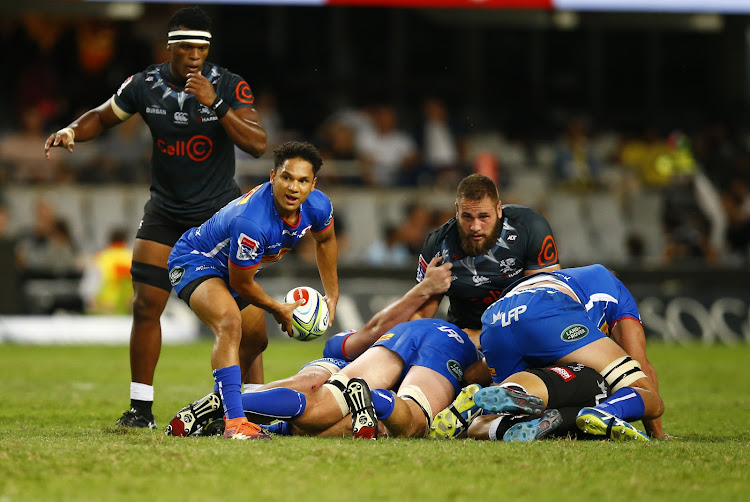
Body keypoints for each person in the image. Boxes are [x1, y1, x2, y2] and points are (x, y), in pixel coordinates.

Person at [43, 6, 268, 429]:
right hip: (165, 212)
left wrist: (215, 104)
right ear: (170, 48)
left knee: (250, 328)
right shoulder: (145, 84)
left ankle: (255, 408)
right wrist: (73, 129)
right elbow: (103, 116)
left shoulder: (229, 86)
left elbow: (258, 144)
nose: (195, 56)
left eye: (202, 47)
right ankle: (140, 409)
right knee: (146, 305)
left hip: (218, 219)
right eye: (186, 47)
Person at [165, 255, 460, 438]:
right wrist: (425, 290)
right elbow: (378, 330)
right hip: (353, 363)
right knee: (316, 394)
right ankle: (235, 405)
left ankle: (230, 403)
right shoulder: (386, 339)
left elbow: (408, 321)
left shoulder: (406, 334)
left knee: (317, 404)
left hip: (361, 370)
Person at [167, 140, 338, 440]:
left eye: (302, 180)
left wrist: (332, 294)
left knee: (256, 339)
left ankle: (227, 410)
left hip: (234, 271)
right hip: (196, 261)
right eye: (286, 177)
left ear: (313, 184)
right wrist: (277, 308)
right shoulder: (253, 223)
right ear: (273, 177)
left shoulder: (319, 206)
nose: (293, 187)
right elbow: (241, 284)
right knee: (229, 323)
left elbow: (325, 242)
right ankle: (235, 423)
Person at [324, 173, 560, 362]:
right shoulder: (438, 245)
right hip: (463, 337)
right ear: (456, 211)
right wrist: (406, 344)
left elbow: (544, 303)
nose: (475, 226)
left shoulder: (529, 228)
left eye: (484, 217)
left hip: (519, 333)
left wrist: (484, 335)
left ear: (499, 210)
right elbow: (420, 316)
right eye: (467, 217)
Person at [477, 264, 664, 440]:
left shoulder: (573, 282)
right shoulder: (614, 288)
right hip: (545, 306)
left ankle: (470, 415)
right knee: (647, 397)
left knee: (509, 406)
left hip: (495, 317)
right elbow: (641, 366)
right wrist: (657, 434)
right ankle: (604, 412)